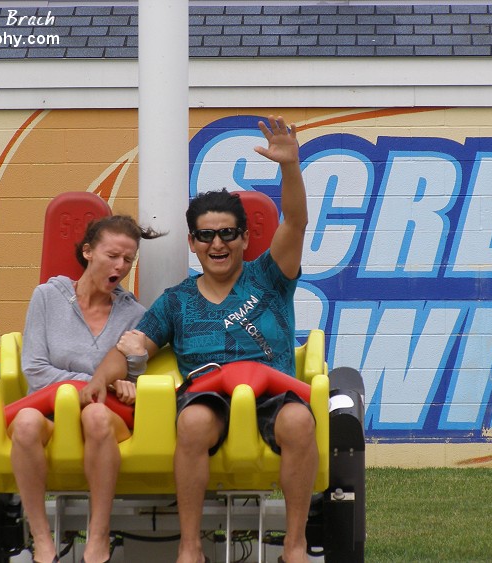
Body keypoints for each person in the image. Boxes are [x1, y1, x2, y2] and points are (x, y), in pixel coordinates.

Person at [81, 116, 316, 563]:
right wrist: (100, 378)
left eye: (228, 233)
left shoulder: (271, 276)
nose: (218, 244)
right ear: (193, 243)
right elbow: (130, 348)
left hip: (271, 391)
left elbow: (297, 223)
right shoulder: (176, 301)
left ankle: (295, 545)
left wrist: (290, 168)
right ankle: (190, 549)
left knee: (300, 424)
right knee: (189, 424)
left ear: (245, 238)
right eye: (206, 235)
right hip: (207, 395)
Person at [10, 215, 162, 563]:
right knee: (25, 424)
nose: (120, 266)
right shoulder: (47, 297)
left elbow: (136, 375)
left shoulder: (134, 313)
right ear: (88, 252)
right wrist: (94, 383)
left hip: (106, 418)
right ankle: (41, 539)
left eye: (128, 260)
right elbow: (35, 370)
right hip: (52, 413)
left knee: (95, 414)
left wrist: (126, 383)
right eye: (112, 256)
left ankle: (99, 536)